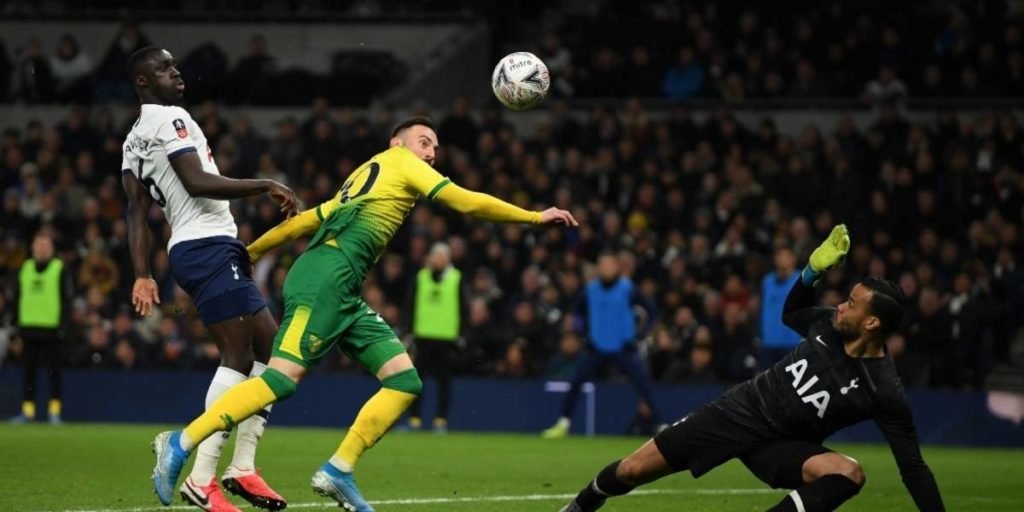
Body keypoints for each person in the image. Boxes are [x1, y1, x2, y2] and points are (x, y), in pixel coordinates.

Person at [150, 117, 578, 512]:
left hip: (344, 287)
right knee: (281, 380)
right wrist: (535, 217)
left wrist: (253, 251)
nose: (430, 154)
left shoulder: (365, 177)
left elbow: (308, 220)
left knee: (404, 381)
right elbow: (464, 202)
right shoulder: (400, 162)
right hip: (325, 279)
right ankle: (181, 441)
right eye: (423, 143)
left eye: (435, 148)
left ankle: (339, 469)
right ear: (397, 143)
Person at [558, 225, 945, 512]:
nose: (841, 306)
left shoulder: (884, 389)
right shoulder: (828, 323)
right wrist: (811, 271)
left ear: (872, 323)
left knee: (849, 473)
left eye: (852, 303)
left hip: (783, 447)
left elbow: (913, 468)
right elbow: (792, 312)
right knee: (631, 470)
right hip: (741, 411)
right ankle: (576, 508)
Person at [121, 46, 297, 512]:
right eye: (163, 67)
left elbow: (136, 213)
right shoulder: (169, 119)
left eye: (174, 65)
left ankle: (241, 467)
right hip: (207, 246)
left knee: (269, 352)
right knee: (239, 357)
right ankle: (200, 474)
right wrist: (264, 184)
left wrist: (142, 273)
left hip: (200, 247)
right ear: (142, 82)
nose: (175, 72)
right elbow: (197, 181)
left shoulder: (133, 139)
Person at [542, 251, 662, 438]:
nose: (605, 268)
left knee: (644, 386)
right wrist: (582, 334)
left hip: (624, 347)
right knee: (576, 383)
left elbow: (651, 311)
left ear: (616, 267)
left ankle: (661, 424)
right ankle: (563, 423)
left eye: (609, 264)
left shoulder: (627, 288)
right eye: (602, 265)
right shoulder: (590, 289)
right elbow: (577, 313)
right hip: (596, 346)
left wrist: (641, 334)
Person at [10, 231, 72, 425]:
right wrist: (15, 326)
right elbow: (17, 298)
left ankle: (54, 411)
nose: (42, 249)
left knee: (54, 373)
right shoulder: (25, 268)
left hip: (52, 329)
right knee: (28, 372)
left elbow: (66, 299)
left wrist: (64, 326)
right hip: (28, 328)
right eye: (39, 245)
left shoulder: (59, 268)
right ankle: (27, 411)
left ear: (51, 248)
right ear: (33, 247)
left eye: (45, 245)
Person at [406, 241, 466, 433]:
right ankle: (415, 419)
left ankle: (441, 420)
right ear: (430, 258)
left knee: (444, 382)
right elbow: (410, 304)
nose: (439, 260)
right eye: (436, 256)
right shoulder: (421, 277)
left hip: (446, 338)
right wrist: (408, 330)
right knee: (416, 380)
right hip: (422, 336)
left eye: (442, 256)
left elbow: (464, 307)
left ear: (448, 259)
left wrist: (463, 333)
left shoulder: (457, 278)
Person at [760, 247, 802, 366]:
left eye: (786, 256)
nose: (782, 259)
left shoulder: (801, 279)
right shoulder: (767, 281)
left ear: (793, 259)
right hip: (769, 342)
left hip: (792, 342)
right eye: (779, 256)